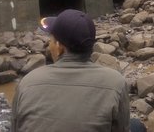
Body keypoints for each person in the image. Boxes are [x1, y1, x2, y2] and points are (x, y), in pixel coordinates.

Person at [11, 9, 146, 132]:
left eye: (51, 40)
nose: (49, 45)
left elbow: (15, 127)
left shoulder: (28, 82)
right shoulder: (116, 82)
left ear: (59, 47)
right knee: (136, 126)